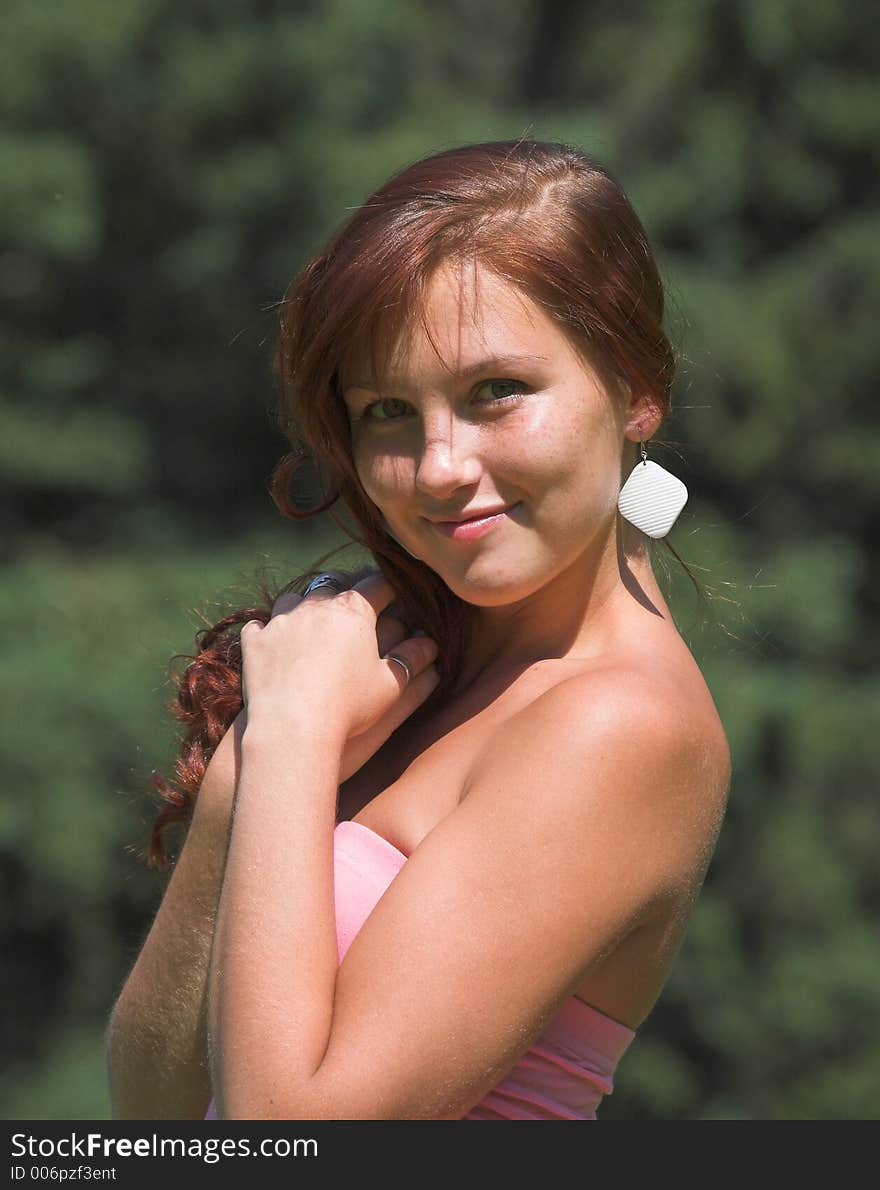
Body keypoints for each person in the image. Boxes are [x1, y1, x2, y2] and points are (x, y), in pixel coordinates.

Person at [105, 139, 731, 1121]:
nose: (437, 465)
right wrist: (245, 779)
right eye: (388, 409)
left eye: (496, 392)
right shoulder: (379, 662)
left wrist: (294, 742)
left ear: (635, 390)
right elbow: (151, 1113)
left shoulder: (617, 725)